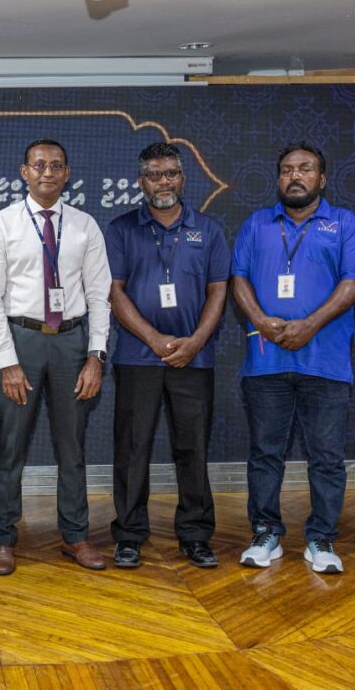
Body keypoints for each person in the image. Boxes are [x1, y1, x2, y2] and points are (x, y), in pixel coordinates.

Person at [231, 141, 355, 574]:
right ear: (278, 179)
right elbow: (238, 278)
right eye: (287, 169)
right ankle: (265, 532)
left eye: (305, 169)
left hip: (325, 363)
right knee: (265, 453)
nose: (295, 176)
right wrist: (261, 320)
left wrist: (309, 325)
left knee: (326, 456)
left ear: (321, 179)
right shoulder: (257, 224)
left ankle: (322, 539)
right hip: (266, 361)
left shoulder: (344, 223)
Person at [0, 139, 112, 575]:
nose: (48, 172)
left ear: (67, 174)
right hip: (22, 341)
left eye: (56, 166)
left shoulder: (85, 225)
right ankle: (3, 539)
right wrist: (7, 361)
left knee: (72, 446)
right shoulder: (1, 224)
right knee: (11, 446)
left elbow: (99, 295)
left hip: (72, 343)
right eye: (39, 165)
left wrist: (95, 356)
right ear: (24, 172)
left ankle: (75, 535)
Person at [105, 143, 228, 570]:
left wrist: (195, 342)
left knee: (192, 447)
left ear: (182, 178)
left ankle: (195, 535)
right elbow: (114, 291)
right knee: (132, 448)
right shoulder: (121, 229)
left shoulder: (208, 230)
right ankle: (129, 535)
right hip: (138, 357)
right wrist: (155, 339)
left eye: (171, 173)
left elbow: (218, 291)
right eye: (155, 175)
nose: (164, 182)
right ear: (142, 182)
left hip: (194, 358)